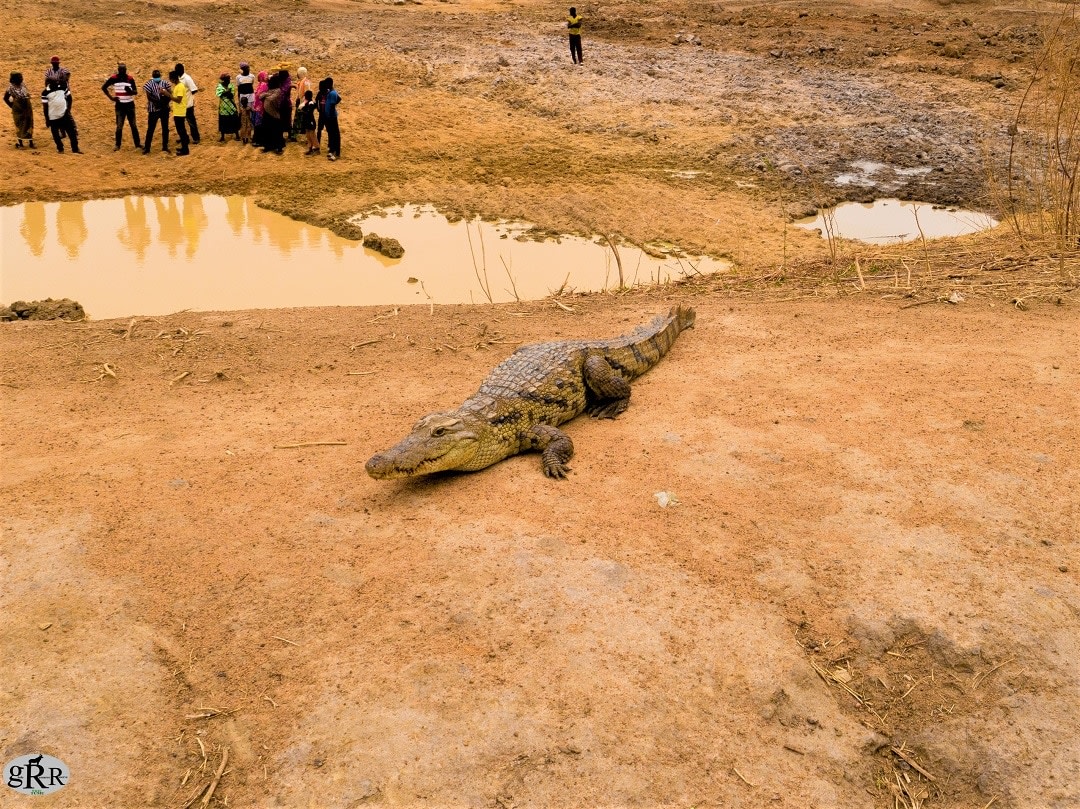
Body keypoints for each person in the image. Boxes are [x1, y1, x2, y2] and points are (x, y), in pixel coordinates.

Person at [102, 62, 141, 150]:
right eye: (121, 69)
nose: (122, 71)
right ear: (118, 70)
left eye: (124, 69)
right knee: (119, 126)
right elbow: (104, 87)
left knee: (133, 125)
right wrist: (111, 98)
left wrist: (129, 92)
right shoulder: (114, 78)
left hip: (129, 105)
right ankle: (118, 144)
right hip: (120, 105)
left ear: (126, 70)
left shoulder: (130, 78)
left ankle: (137, 144)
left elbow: (135, 92)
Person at [41, 80, 79, 153]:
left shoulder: (62, 88)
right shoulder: (45, 93)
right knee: (58, 135)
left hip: (61, 115)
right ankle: (61, 149)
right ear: (49, 85)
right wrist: (47, 119)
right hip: (53, 117)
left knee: (71, 133)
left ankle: (74, 149)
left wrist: (68, 110)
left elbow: (70, 98)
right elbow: (45, 108)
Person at [142, 68, 172, 153]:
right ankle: (147, 148)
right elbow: (148, 96)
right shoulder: (149, 84)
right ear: (153, 77)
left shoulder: (165, 83)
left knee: (165, 128)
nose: (157, 78)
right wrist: (158, 102)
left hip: (164, 109)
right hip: (153, 109)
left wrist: (165, 102)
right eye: (155, 76)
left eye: (157, 76)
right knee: (151, 129)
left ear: (160, 76)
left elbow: (170, 93)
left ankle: (165, 146)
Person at [4, 72, 34, 149]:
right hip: (18, 109)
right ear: (14, 79)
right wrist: (13, 106)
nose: (21, 78)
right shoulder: (10, 88)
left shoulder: (23, 84)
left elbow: (26, 94)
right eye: (19, 77)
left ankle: (31, 143)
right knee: (19, 124)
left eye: (21, 77)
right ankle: (20, 144)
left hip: (27, 107)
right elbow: (5, 98)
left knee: (29, 122)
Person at [258, 72, 284, 154]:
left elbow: (271, 99)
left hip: (274, 113)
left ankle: (278, 147)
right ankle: (267, 146)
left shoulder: (278, 91)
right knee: (267, 130)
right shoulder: (272, 90)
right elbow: (260, 96)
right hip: (268, 112)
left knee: (276, 130)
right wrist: (266, 95)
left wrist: (266, 95)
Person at [174, 63, 200, 145]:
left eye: (176, 70)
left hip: (188, 104)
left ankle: (196, 138)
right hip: (181, 105)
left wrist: (187, 95)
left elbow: (194, 89)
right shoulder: (179, 78)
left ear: (180, 70)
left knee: (191, 122)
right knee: (181, 123)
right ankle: (184, 137)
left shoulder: (187, 79)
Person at [168, 69, 190, 155]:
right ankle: (183, 148)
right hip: (178, 112)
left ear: (173, 79)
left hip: (180, 112)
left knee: (181, 131)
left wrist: (168, 95)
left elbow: (178, 100)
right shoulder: (178, 86)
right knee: (181, 131)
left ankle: (185, 150)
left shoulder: (180, 86)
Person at [216, 73, 240, 141]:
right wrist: (227, 91)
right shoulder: (221, 86)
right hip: (224, 107)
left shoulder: (228, 85)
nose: (229, 80)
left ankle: (237, 135)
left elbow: (231, 95)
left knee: (233, 120)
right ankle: (223, 136)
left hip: (230, 106)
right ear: (224, 80)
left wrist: (224, 92)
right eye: (228, 79)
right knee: (224, 121)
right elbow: (219, 94)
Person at [322, 76, 340, 161]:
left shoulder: (332, 93)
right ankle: (333, 150)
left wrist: (330, 115)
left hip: (332, 117)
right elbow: (339, 98)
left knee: (334, 134)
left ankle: (335, 152)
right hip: (330, 116)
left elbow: (332, 105)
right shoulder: (331, 92)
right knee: (333, 134)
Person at [291, 66, 311, 140]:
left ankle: (295, 135)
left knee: (298, 119)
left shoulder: (305, 82)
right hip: (300, 101)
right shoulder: (301, 81)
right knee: (299, 118)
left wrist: (303, 103)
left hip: (303, 102)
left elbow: (307, 94)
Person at [251, 70, 268, 147]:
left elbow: (258, 94)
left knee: (258, 124)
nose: (266, 77)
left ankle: (258, 140)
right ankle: (258, 139)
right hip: (259, 107)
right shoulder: (263, 84)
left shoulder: (262, 84)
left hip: (259, 107)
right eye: (265, 75)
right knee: (259, 123)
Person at [299, 89, 317, 154]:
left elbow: (308, 112)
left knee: (312, 135)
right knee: (308, 135)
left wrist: (303, 110)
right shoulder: (308, 103)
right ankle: (310, 148)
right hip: (307, 121)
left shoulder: (310, 103)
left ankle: (316, 148)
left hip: (310, 121)